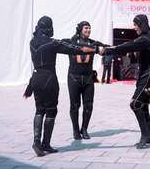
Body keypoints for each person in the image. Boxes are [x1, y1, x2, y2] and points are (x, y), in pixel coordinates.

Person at [23, 16, 96, 157]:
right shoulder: (52, 43)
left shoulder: (32, 42)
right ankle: (45, 144)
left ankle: (36, 141)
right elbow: (74, 49)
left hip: (36, 77)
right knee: (51, 111)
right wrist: (94, 49)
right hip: (49, 79)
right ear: (49, 27)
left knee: (39, 110)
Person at [100, 14, 150, 149]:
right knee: (142, 105)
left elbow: (128, 46)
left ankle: (145, 136)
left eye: (136, 25)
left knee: (135, 104)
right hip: (145, 77)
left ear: (141, 24)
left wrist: (107, 51)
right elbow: (129, 45)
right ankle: (148, 137)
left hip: (148, 78)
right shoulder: (146, 38)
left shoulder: (145, 39)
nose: (134, 27)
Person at [64, 21, 108, 140]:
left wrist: (122, 48)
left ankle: (84, 129)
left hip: (88, 78)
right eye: (86, 28)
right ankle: (75, 130)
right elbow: (56, 44)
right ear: (80, 29)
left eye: (89, 28)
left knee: (88, 105)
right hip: (74, 77)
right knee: (75, 105)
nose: (88, 30)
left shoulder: (93, 43)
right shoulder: (71, 42)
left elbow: (107, 48)